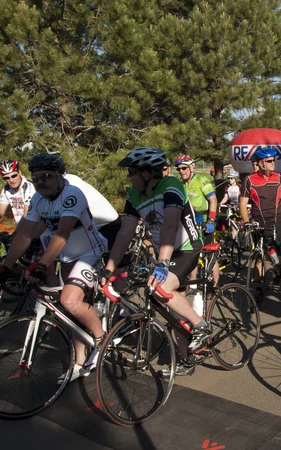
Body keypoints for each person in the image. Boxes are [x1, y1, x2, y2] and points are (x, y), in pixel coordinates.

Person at [102, 147, 210, 376]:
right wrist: (108, 269)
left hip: (186, 247)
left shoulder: (171, 185)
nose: (128, 177)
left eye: (131, 172)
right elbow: (124, 234)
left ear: (146, 173)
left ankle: (201, 326)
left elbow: (171, 225)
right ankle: (186, 360)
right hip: (166, 252)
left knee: (159, 288)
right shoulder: (135, 195)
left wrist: (162, 263)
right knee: (169, 306)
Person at [0, 153, 108, 382]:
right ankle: (79, 362)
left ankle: (102, 340)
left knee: (70, 300)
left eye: (47, 176)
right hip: (66, 257)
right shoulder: (39, 199)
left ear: (60, 176)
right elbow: (27, 233)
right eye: (37, 178)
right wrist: (6, 265)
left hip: (90, 252)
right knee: (66, 311)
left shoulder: (72, 195)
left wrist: (42, 263)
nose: (41, 182)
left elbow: (62, 233)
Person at [239, 147, 281, 304]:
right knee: (260, 258)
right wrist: (246, 223)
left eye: (274, 160)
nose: (273, 163)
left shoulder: (278, 178)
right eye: (269, 161)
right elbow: (242, 204)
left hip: (278, 223)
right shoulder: (249, 180)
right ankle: (258, 287)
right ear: (260, 163)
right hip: (259, 225)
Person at [174, 155, 218, 288]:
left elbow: (213, 200)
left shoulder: (201, 179)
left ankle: (216, 286)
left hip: (203, 221)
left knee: (209, 254)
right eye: (179, 169)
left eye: (184, 168)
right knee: (191, 253)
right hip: (188, 222)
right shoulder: (180, 184)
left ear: (191, 167)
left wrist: (211, 220)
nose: (181, 171)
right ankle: (193, 284)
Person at [0, 159, 35, 227]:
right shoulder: (6, 189)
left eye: (14, 176)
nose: (11, 180)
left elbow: (26, 216)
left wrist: (16, 233)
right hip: (22, 228)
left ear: (19, 173)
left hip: (36, 229)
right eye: (7, 178)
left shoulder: (29, 187)